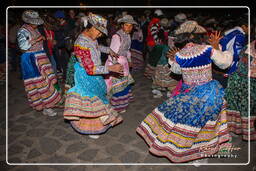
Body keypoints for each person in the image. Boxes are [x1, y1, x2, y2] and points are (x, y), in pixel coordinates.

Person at [136, 21, 233, 164]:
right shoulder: (207, 49)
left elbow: (176, 70)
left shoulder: (180, 55)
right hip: (209, 94)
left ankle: (192, 154)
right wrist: (217, 47)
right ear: (198, 36)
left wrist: (172, 58)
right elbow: (225, 63)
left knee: (191, 126)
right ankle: (203, 154)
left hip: (188, 95)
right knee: (207, 125)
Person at [63, 13, 123, 139]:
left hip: (96, 72)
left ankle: (96, 124)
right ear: (90, 27)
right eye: (99, 31)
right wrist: (111, 68)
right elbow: (90, 69)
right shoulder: (81, 43)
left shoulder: (91, 38)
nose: (100, 35)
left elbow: (97, 47)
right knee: (91, 102)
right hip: (86, 75)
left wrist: (109, 50)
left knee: (98, 98)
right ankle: (90, 128)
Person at [17, 10, 62, 116]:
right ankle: (45, 107)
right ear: (29, 22)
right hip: (30, 60)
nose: (37, 24)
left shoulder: (35, 29)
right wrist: (37, 39)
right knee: (39, 84)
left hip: (40, 57)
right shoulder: (22, 31)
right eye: (35, 22)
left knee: (48, 81)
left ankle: (48, 105)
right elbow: (23, 46)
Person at [104, 14, 137, 113]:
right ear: (122, 25)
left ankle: (123, 103)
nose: (129, 28)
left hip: (124, 63)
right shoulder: (116, 36)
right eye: (127, 25)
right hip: (116, 64)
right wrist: (115, 67)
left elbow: (127, 50)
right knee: (118, 86)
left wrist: (129, 60)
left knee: (124, 84)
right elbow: (112, 53)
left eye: (131, 26)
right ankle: (117, 106)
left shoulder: (127, 35)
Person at [225, 40, 256, 141]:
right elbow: (242, 68)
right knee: (245, 107)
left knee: (247, 108)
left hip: (248, 81)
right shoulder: (249, 48)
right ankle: (244, 131)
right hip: (242, 81)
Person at [213, 18, 248, 88]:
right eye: (250, 27)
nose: (250, 30)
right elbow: (237, 54)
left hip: (221, 62)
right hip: (231, 65)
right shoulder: (240, 35)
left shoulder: (229, 33)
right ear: (244, 26)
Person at [144, 9, 165, 79]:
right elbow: (154, 34)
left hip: (150, 43)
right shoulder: (155, 23)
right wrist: (158, 43)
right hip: (153, 44)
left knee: (152, 60)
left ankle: (151, 74)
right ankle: (153, 75)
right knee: (154, 60)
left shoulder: (153, 22)